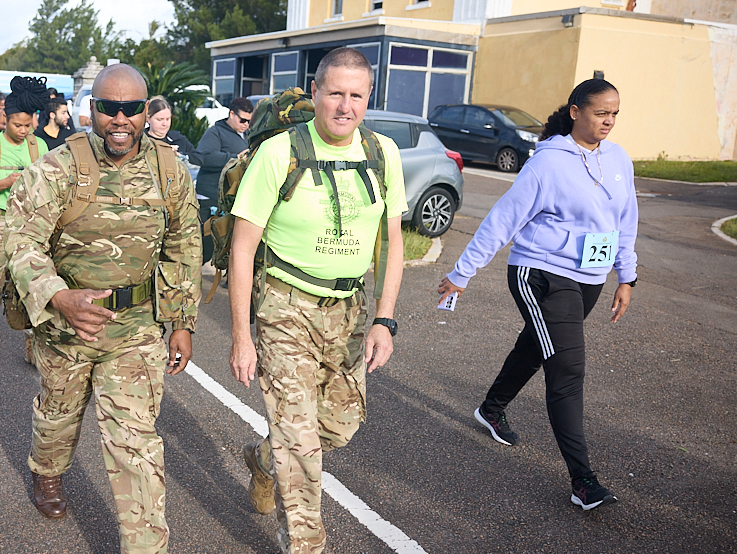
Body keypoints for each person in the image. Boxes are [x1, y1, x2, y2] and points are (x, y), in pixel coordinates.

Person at [5, 63, 201, 553]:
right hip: (64, 325)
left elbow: (183, 245)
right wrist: (56, 295)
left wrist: (181, 322)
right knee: (58, 415)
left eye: (132, 109)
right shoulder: (58, 166)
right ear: (91, 109)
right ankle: (46, 474)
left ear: (145, 111)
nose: (120, 119)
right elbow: (20, 238)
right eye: (108, 108)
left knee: (135, 441)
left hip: (135, 327)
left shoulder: (168, 168)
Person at [228, 48, 405, 554]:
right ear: (315, 93)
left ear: (368, 97)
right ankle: (306, 543)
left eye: (356, 95)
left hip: (349, 309)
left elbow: (392, 242)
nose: (345, 106)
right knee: (302, 449)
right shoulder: (279, 152)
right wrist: (243, 336)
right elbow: (243, 248)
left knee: (338, 427)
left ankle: (264, 460)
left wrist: (384, 320)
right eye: (335, 93)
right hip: (285, 308)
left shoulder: (382, 152)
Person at [437, 78, 635, 512]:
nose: (609, 121)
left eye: (615, 113)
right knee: (567, 368)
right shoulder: (547, 164)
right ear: (575, 111)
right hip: (540, 273)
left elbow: (625, 218)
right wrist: (461, 273)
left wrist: (627, 275)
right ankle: (584, 481)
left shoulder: (618, 159)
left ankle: (491, 408)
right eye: (601, 112)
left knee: (538, 344)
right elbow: (502, 219)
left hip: (590, 278)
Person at [0, 76, 49, 340]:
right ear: (5, 117)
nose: (24, 130)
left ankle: (30, 338)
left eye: (28, 125)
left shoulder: (40, 147)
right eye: (17, 125)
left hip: (28, 222)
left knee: (28, 278)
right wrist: (5, 182)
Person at [194, 96, 253, 263]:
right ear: (231, 114)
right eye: (242, 120)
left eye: (249, 121)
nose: (246, 124)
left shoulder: (244, 135)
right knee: (205, 247)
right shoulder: (215, 132)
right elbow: (203, 157)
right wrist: (235, 157)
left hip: (230, 201)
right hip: (209, 198)